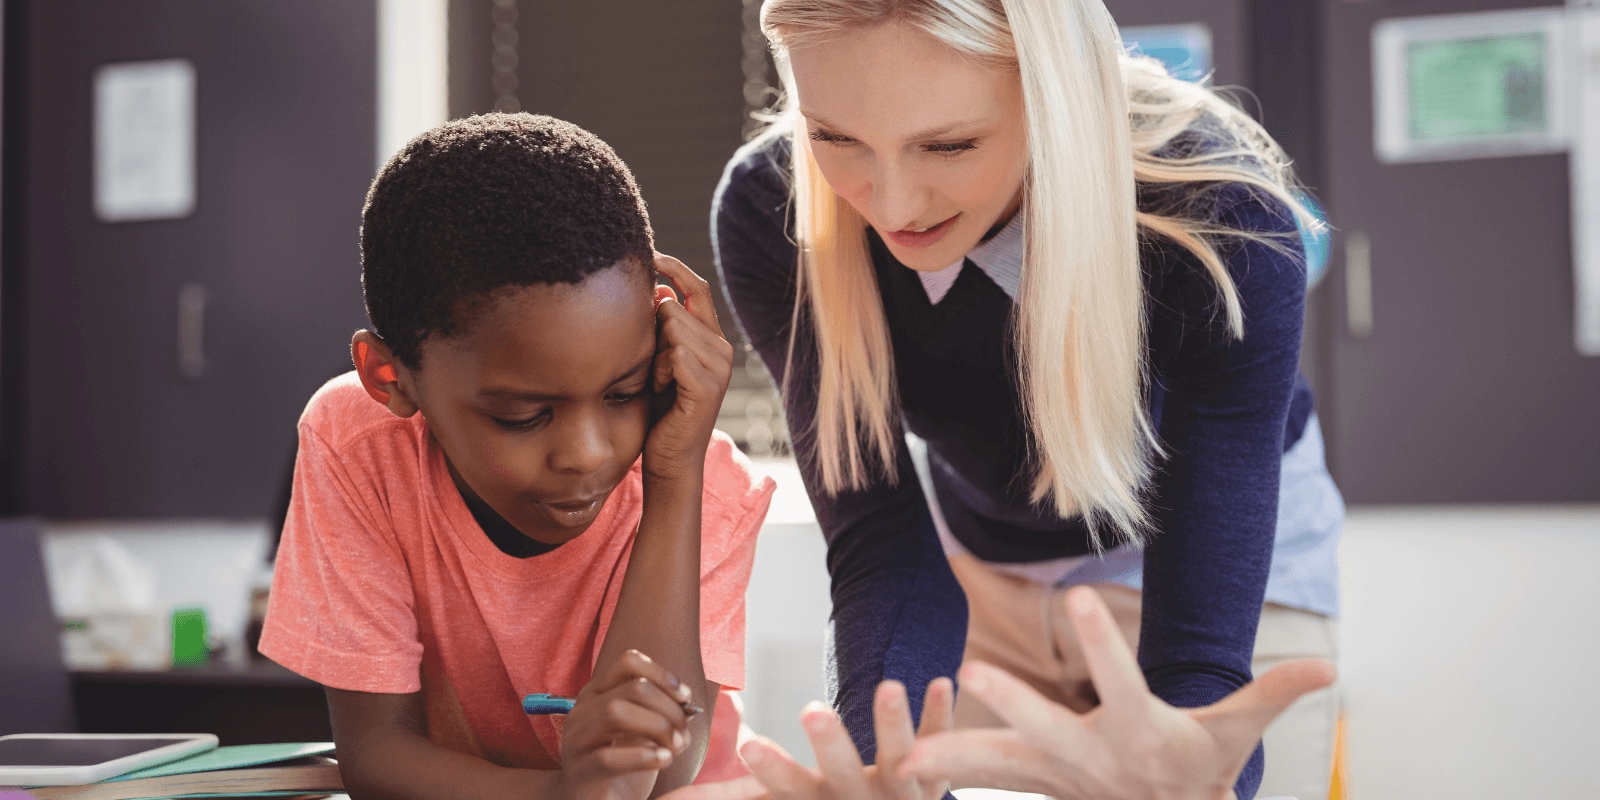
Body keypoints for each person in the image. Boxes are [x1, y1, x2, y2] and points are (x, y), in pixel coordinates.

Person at [711, 2, 1344, 798]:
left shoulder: (1222, 220)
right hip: (982, 573)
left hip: (1213, 562)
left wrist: (1196, 765)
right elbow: (881, 541)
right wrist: (882, 766)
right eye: (835, 138)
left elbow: (1199, 650)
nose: (893, 206)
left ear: (1055, 91)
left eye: (949, 144)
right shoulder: (771, 215)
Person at [259, 113, 774, 800]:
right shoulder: (357, 444)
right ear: (391, 378)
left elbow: (657, 774)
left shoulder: (701, 474)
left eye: (623, 394)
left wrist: (675, 478)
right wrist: (562, 794)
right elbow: (376, 754)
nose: (587, 454)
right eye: (523, 415)